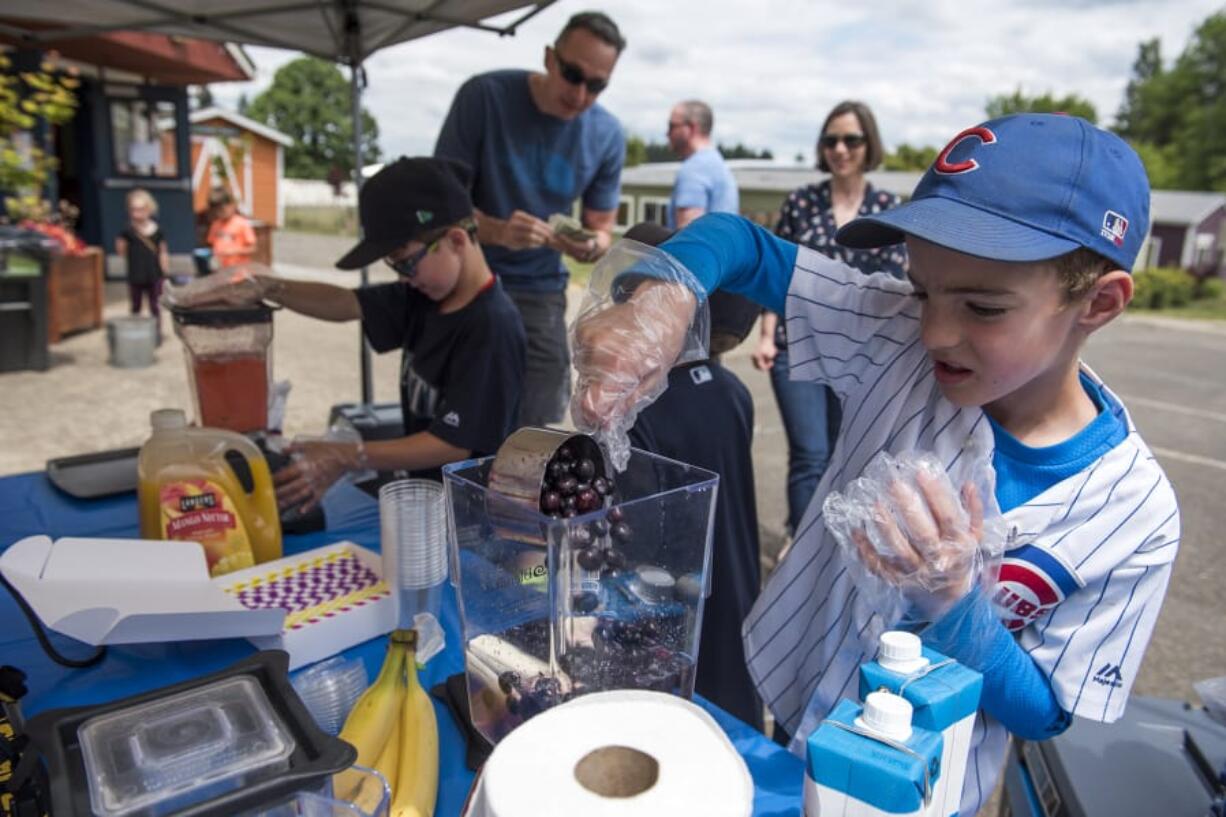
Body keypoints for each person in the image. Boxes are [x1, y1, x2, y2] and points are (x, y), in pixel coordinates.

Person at [571, 114, 1179, 816]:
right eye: (922, 288)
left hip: (923, 791)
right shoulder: (892, 332)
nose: (934, 330)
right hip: (796, 708)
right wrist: (664, 294)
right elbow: (740, 244)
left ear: (1098, 302)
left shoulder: (1131, 510)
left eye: (982, 306)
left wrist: (955, 604)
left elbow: (1048, 710)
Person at [196, 157, 526, 511]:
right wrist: (265, 288)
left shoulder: (492, 327)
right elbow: (344, 302)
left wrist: (348, 455)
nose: (402, 277)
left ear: (457, 240)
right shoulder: (425, 297)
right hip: (428, 501)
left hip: (470, 518)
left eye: (405, 261)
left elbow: (453, 444)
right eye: (392, 265)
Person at [434, 11, 626, 427]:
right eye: (573, 74)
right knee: (457, 419)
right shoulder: (484, 96)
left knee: (538, 428)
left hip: (539, 291)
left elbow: (602, 229)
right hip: (466, 280)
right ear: (549, 58)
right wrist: (496, 231)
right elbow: (438, 205)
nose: (579, 95)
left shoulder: (607, 134)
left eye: (596, 85)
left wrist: (589, 245)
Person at [623, 223, 762, 728]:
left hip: (681, 624)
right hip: (740, 602)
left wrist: (530, 572)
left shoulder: (641, 411)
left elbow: (628, 545)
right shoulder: (732, 391)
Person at [753, 100, 906, 538]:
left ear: (868, 144)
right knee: (809, 454)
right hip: (797, 342)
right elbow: (776, 275)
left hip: (859, 353)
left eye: (851, 139)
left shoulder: (885, 207)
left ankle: (834, 548)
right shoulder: (802, 202)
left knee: (847, 454)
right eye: (831, 140)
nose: (840, 149)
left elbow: (896, 286)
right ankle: (799, 542)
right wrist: (766, 335)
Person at [665, 100, 739, 229]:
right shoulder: (719, 165)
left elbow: (688, 238)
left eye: (672, 126)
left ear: (691, 128)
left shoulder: (694, 169)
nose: (667, 133)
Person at [114, 188, 169, 341]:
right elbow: (120, 251)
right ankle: (136, 334)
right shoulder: (127, 231)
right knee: (136, 306)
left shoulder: (158, 230)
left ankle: (156, 334)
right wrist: (121, 240)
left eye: (141, 209)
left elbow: (163, 251)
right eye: (133, 209)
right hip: (136, 273)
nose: (137, 213)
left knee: (155, 306)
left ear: (149, 209)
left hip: (154, 273)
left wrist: (164, 271)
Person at [206, 189, 257, 269]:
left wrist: (234, 251)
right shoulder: (215, 224)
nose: (219, 213)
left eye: (222, 210)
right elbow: (211, 245)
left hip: (238, 271)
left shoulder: (242, 224)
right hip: (220, 270)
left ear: (232, 205)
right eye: (217, 210)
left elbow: (253, 248)